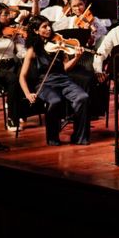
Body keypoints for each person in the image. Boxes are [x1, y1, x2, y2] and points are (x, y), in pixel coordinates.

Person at [20, 16, 92, 146]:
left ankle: (79, 137)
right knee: (55, 101)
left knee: (83, 97)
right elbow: (22, 76)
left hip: (63, 80)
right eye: (44, 27)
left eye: (49, 26)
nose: (49, 29)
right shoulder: (33, 50)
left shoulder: (58, 45)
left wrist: (76, 58)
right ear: (36, 31)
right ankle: (52, 137)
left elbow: (65, 67)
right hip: (45, 83)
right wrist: (27, 94)